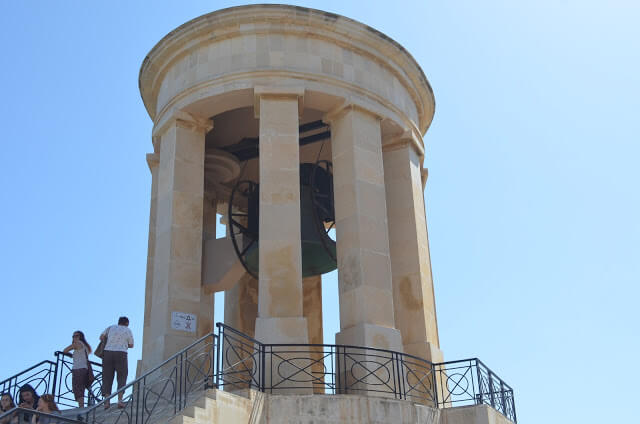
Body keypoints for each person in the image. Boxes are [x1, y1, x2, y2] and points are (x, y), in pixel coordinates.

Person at [100, 316, 133, 409]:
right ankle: (120, 400)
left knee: (107, 376)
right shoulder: (127, 330)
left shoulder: (110, 327)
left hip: (107, 353)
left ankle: (106, 402)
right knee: (122, 376)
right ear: (126, 323)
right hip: (121, 353)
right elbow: (131, 344)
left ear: (119, 322)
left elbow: (101, 337)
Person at [62, 330, 93, 408]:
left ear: (80, 337)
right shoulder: (85, 346)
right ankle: (82, 406)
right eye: (73, 336)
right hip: (84, 368)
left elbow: (65, 350)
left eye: (76, 336)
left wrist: (70, 354)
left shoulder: (77, 344)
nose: (74, 337)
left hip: (78, 369)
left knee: (78, 388)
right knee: (81, 388)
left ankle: (81, 407)